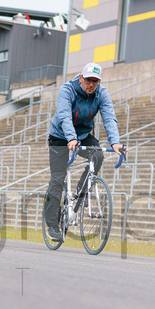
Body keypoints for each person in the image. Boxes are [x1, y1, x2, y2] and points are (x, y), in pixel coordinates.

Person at [44, 62, 124, 242]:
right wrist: (70, 138)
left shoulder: (101, 93)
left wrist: (116, 142)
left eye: (95, 82)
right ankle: (52, 225)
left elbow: (109, 117)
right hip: (60, 136)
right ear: (81, 78)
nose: (91, 85)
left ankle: (81, 193)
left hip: (83, 134)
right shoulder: (67, 90)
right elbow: (64, 115)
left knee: (98, 155)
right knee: (57, 178)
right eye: (88, 80)